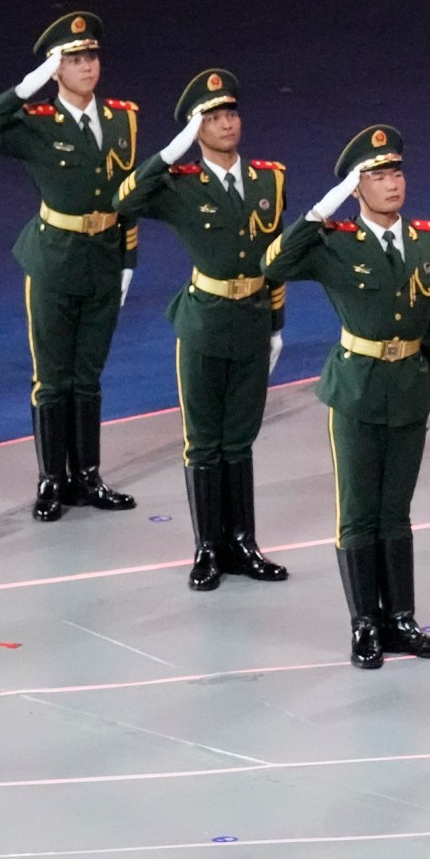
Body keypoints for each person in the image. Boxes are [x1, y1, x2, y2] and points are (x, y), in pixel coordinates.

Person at [260, 124, 430, 669]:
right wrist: (322, 208)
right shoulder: (335, 242)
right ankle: (365, 624)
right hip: (357, 388)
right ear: (355, 186)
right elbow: (274, 264)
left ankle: (401, 622)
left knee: (396, 512)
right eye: (377, 176)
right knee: (358, 514)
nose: (392, 184)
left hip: (409, 386)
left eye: (396, 172)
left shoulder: (428, 241)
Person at [117, 69, 289, 590]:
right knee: (204, 441)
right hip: (205, 320)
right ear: (195, 128)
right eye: (212, 118)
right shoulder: (182, 184)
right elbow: (125, 200)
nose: (226, 124)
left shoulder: (268, 180)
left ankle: (243, 543)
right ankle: (208, 547)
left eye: (230, 113)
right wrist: (170, 153)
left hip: (252, 318)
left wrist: (277, 323)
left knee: (240, 438)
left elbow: (276, 256)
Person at [0, 10, 139, 520]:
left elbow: (127, 196)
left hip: (104, 256)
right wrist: (25, 88)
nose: (87, 66)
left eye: (91, 56)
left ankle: (87, 476)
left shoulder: (122, 118)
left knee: (88, 374)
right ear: (55, 69)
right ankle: (51, 478)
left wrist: (129, 258)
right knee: (52, 375)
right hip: (56, 256)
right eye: (74, 59)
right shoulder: (36, 122)